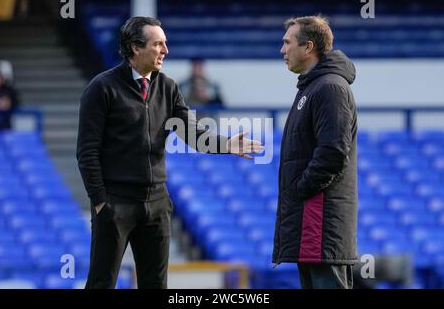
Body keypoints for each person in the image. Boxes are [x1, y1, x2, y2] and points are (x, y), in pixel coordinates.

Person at [76, 16, 262, 289]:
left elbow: (193, 134)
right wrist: (101, 202)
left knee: (156, 285)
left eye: (165, 43)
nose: (166, 50)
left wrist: (226, 145)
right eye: (158, 44)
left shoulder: (168, 87)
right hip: (115, 204)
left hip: (157, 205)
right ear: (136, 48)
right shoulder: (101, 88)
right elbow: (87, 151)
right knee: (102, 283)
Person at [272, 15, 358, 289]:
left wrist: (300, 188)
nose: (282, 50)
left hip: (320, 222)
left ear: (308, 47)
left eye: (287, 43)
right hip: (311, 222)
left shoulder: (329, 87)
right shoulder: (312, 86)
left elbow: (333, 152)